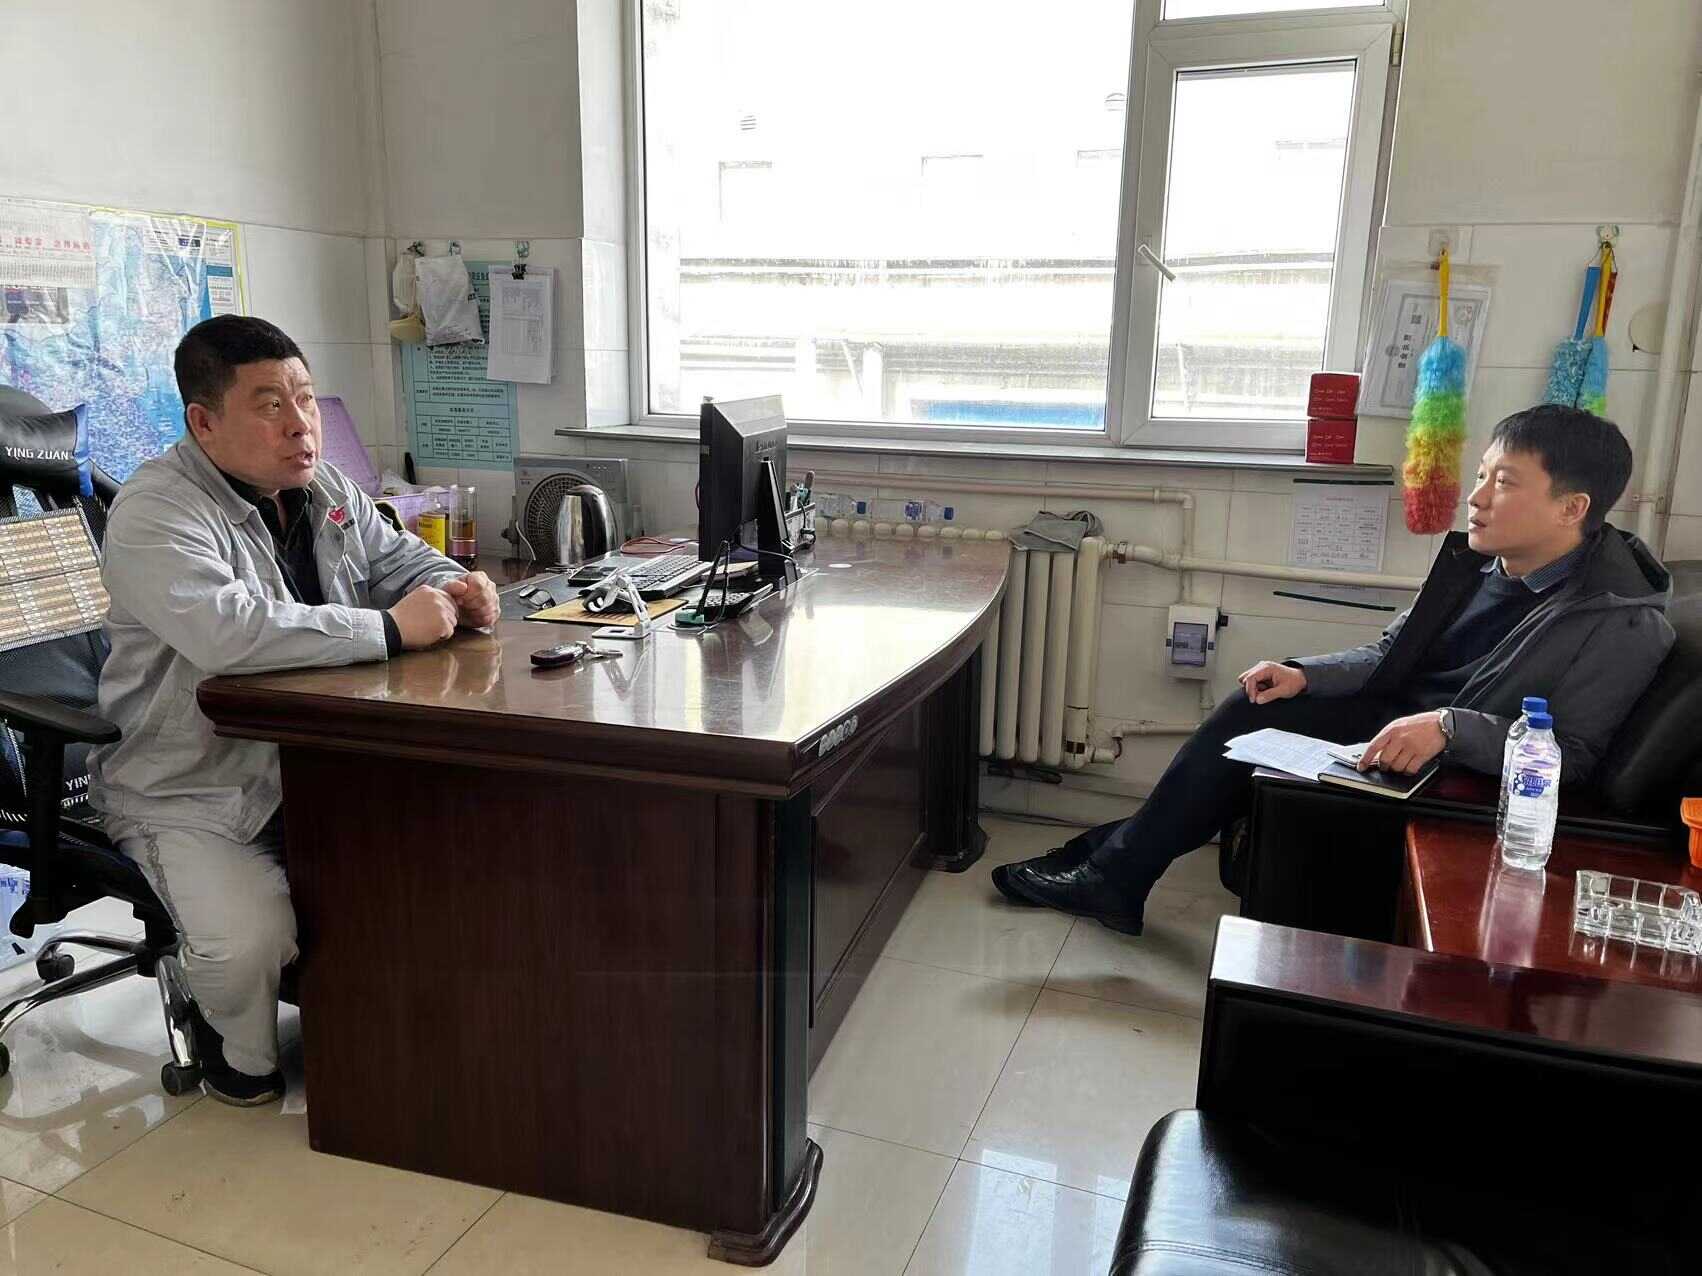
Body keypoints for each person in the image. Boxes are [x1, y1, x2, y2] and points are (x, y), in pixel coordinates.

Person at [994, 404, 1674, 934]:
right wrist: (1304, 673)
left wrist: (1450, 726)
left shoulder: (1618, 618)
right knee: (1257, 705)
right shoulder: (1477, 564)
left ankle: (1109, 865)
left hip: (1451, 766)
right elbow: (1389, 653)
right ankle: (1114, 867)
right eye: (1481, 476)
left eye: (1505, 483)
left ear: (1572, 508)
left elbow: (1573, 755)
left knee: (1249, 742)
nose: (1478, 498)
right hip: (1394, 724)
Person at [89, 315, 498, 1105]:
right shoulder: (155, 512)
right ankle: (229, 1043)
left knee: (439, 871)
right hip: (193, 784)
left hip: (320, 767)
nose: (300, 424)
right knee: (251, 942)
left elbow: (403, 561)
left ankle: (386, 1033)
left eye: (305, 399)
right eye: (269, 405)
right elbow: (228, 631)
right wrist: (387, 629)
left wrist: (458, 587)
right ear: (204, 422)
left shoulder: (325, 490)